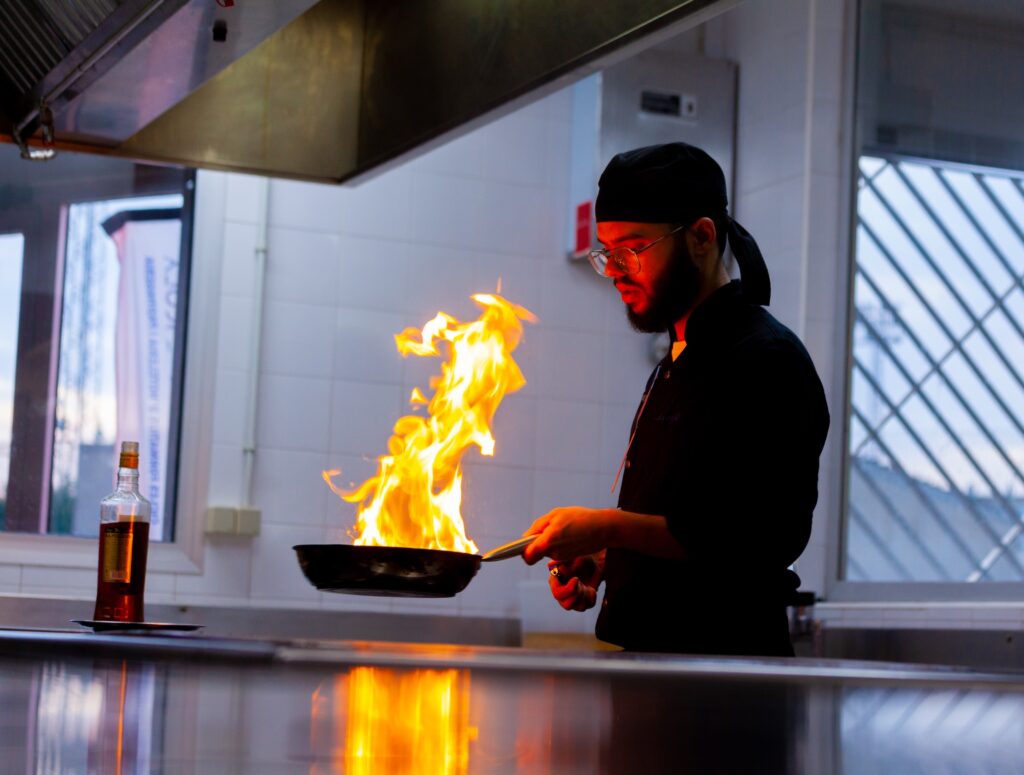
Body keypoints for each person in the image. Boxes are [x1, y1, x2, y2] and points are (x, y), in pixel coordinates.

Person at [521, 142, 830, 656]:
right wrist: (607, 558)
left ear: (701, 237)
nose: (615, 270)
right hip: (654, 665)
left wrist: (607, 526)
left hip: (724, 676)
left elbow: (755, 537)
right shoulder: (676, 361)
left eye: (631, 250)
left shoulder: (765, 359)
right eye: (607, 253)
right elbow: (684, 523)